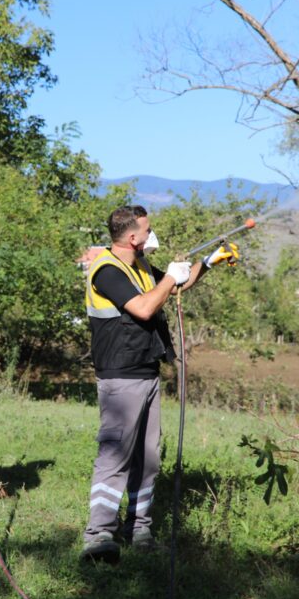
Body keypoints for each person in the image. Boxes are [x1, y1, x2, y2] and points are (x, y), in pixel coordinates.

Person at [79, 205, 235, 562]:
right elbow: (145, 308)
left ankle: (139, 527)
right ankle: (99, 535)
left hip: (146, 371)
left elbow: (178, 283)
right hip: (120, 376)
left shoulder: (142, 267)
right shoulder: (107, 271)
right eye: (147, 231)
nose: (152, 236)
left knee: (148, 458)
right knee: (115, 455)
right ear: (132, 238)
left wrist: (209, 263)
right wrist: (169, 280)